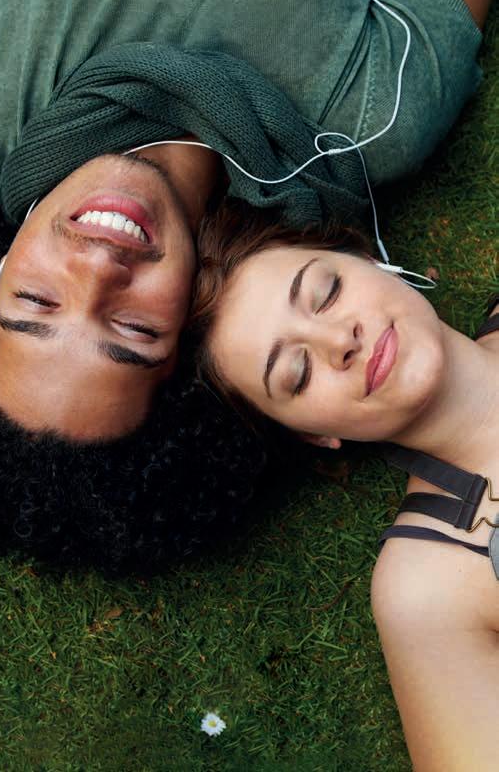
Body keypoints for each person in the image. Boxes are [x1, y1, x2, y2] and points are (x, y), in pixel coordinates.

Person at [0, 0, 496, 571]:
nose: (97, 271)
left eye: (36, 301)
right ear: (188, 328)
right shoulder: (360, 121)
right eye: (132, 330)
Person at [191, 198, 499, 770]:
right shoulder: (426, 593)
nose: (340, 341)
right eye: (298, 373)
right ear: (313, 435)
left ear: (368, 259)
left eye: (326, 292)